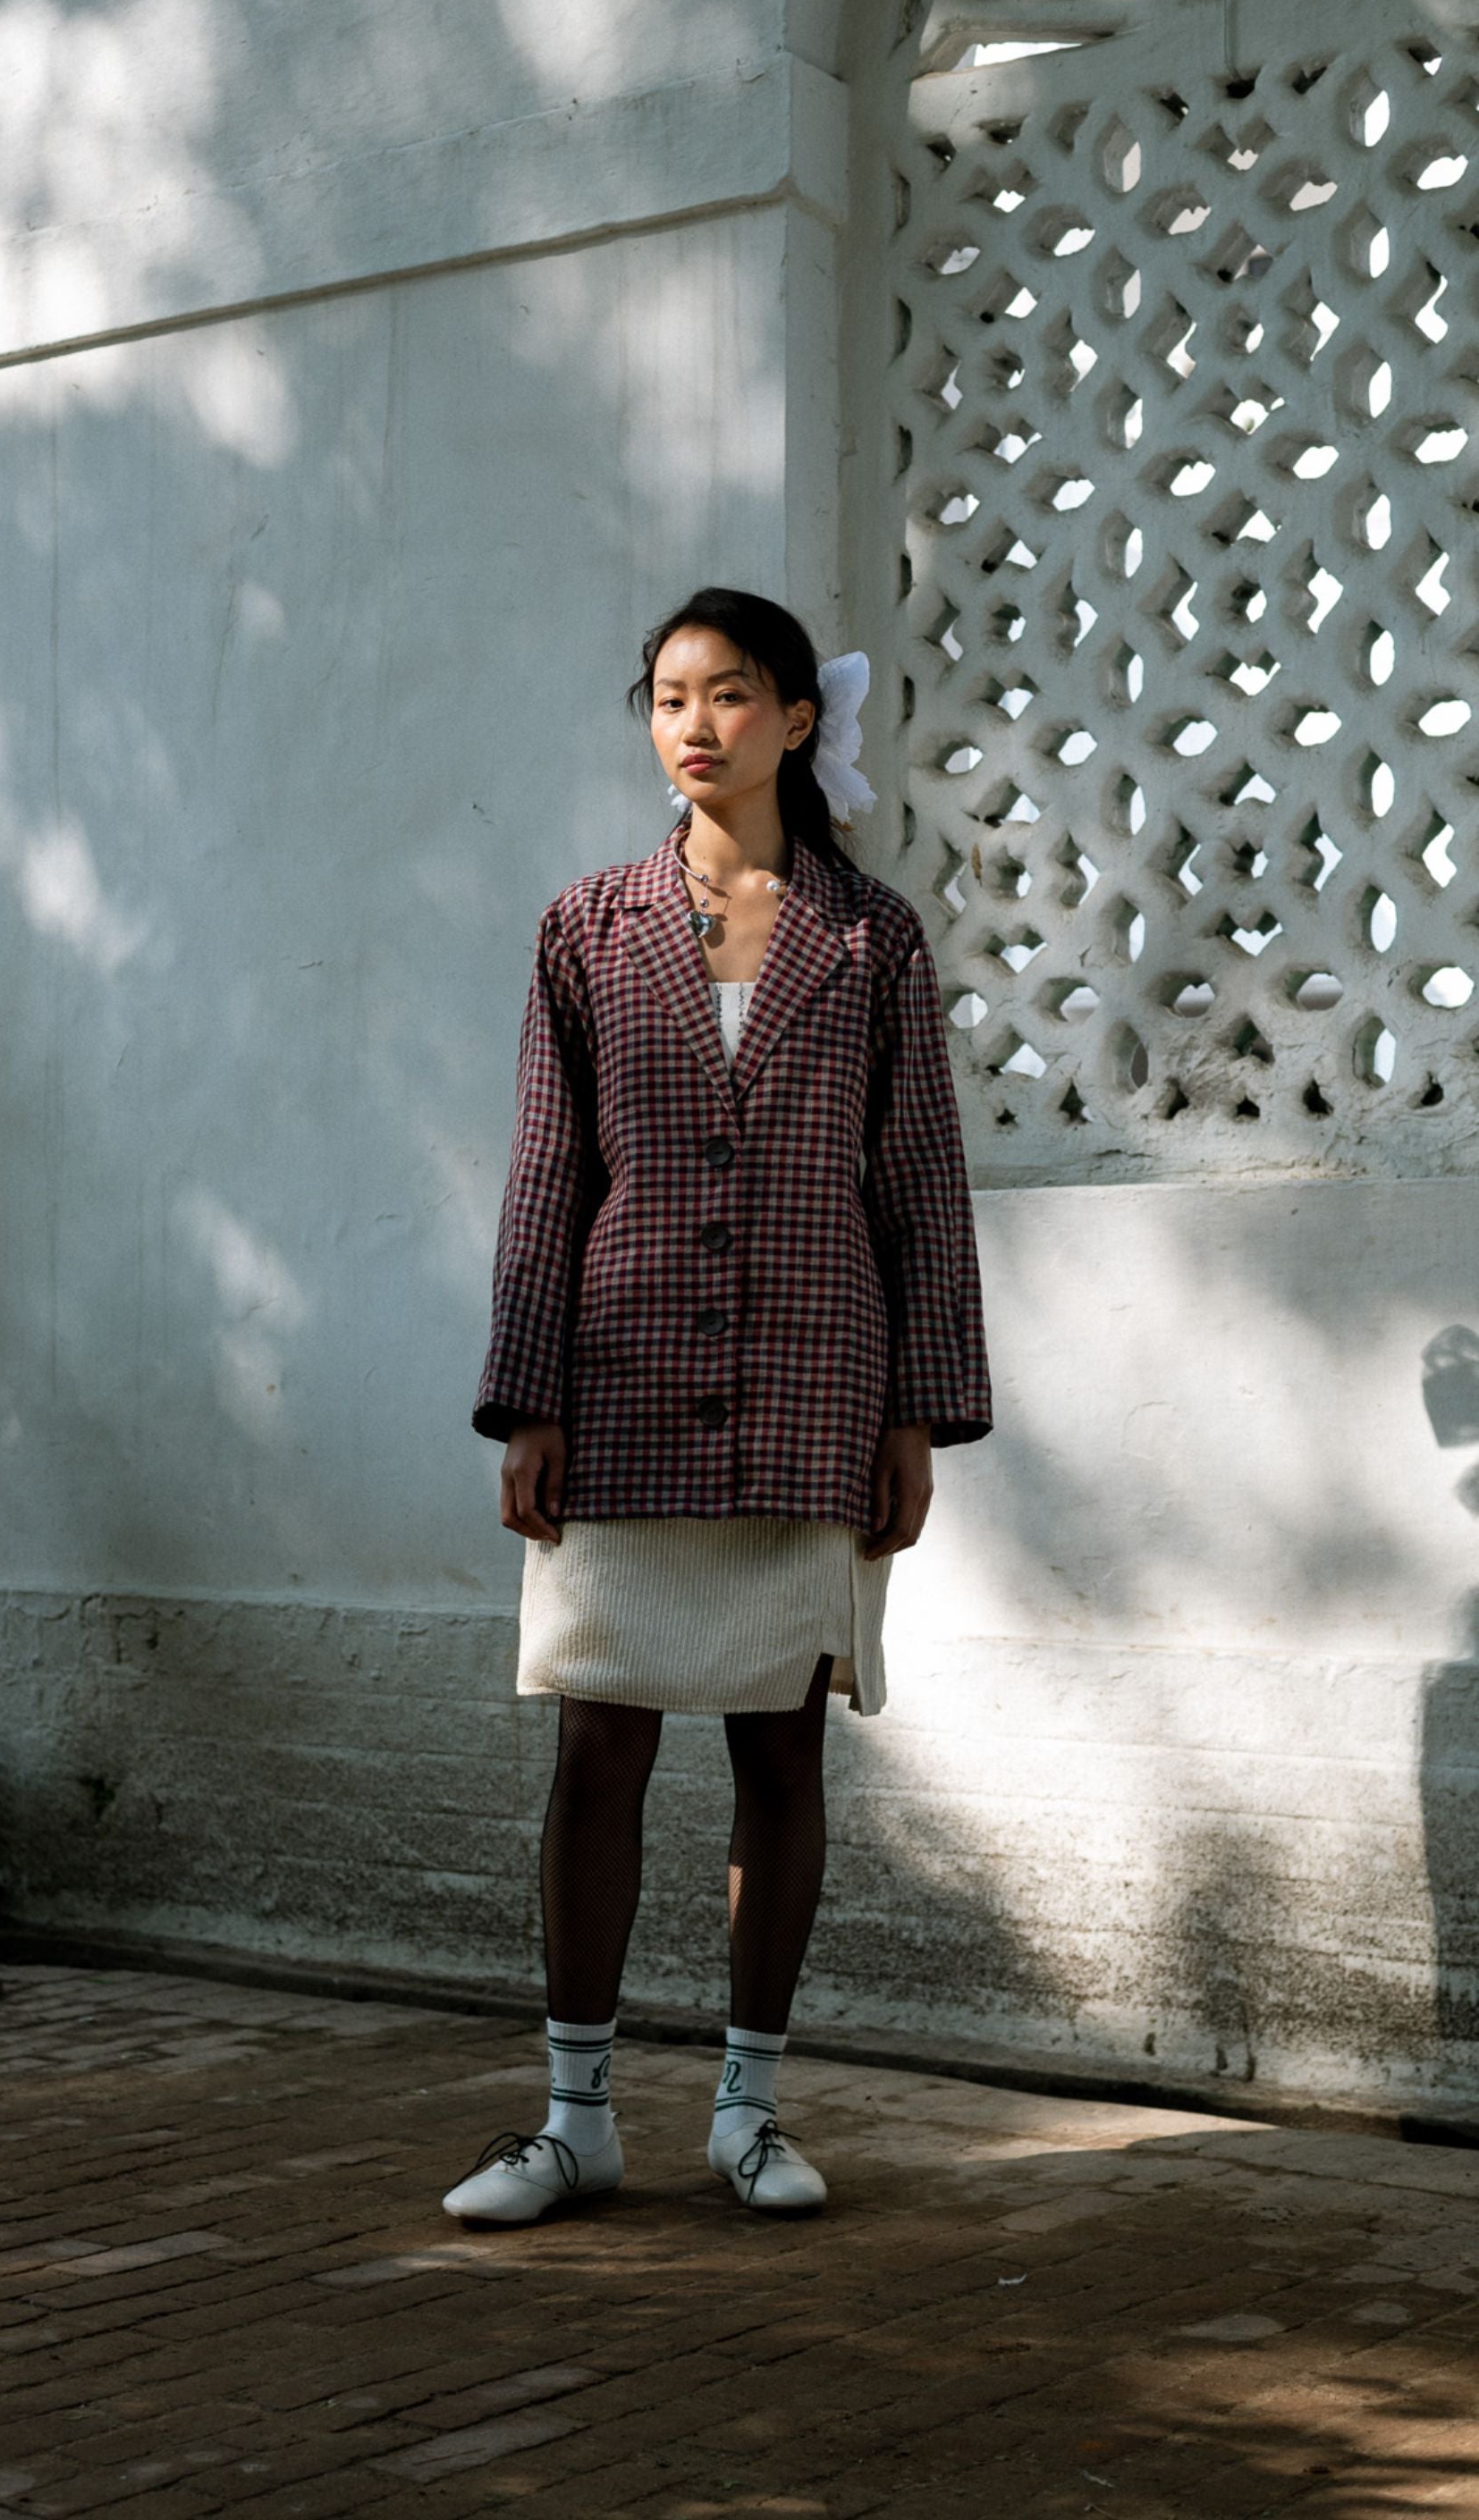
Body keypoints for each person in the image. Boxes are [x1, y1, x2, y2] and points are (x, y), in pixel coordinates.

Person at [447, 586, 992, 2227]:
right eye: (670, 696)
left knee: (779, 1747)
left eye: (731, 694)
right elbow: (550, 1174)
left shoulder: (870, 934)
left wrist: (919, 1413)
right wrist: (522, 1397)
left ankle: (750, 2111)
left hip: (817, 1384)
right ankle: (574, 2117)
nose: (695, 724)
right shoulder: (586, 927)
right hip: (615, 1384)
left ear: (799, 720)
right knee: (600, 1742)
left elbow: (921, 1189)